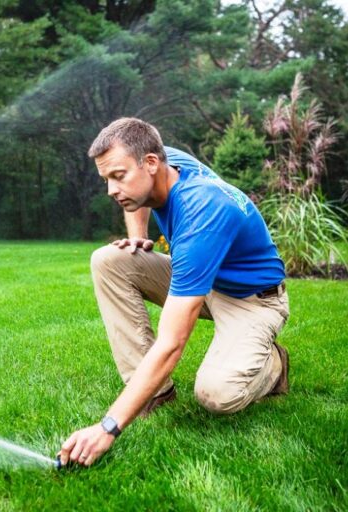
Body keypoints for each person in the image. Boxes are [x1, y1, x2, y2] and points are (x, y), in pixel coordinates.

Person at [58, 117, 289, 467]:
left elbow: (172, 343)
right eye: (106, 179)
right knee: (110, 260)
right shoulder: (167, 159)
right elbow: (143, 197)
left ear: (151, 163)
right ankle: (155, 392)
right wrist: (138, 234)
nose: (110, 190)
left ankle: (272, 365)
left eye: (118, 176)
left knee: (217, 395)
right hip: (204, 277)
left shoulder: (203, 210)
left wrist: (108, 427)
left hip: (252, 300)